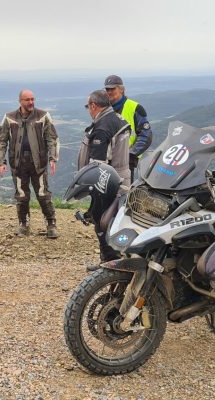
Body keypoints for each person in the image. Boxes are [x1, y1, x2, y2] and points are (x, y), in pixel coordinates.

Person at [78, 90, 132, 271]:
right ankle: (118, 259)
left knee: (102, 221)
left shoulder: (102, 127)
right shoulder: (118, 119)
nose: (88, 110)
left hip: (108, 182)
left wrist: (90, 187)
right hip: (122, 177)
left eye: (88, 107)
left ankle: (110, 262)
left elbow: (98, 166)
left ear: (94, 105)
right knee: (115, 220)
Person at [0, 89, 59, 239]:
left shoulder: (43, 116)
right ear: (20, 101)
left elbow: (52, 138)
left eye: (32, 99)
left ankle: (51, 224)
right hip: (18, 163)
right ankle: (23, 224)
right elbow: (1, 140)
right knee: (22, 195)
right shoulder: (9, 117)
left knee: (43, 194)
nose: (31, 102)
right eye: (27, 100)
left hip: (39, 162)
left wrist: (53, 158)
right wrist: (1, 161)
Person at [103, 75, 153, 178]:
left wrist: (131, 154)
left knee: (123, 192)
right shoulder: (103, 108)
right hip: (105, 161)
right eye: (107, 89)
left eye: (112, 88)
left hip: (125, 162)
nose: (109, 91)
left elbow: (146, 135)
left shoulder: (135, 108)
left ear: (121, 89)